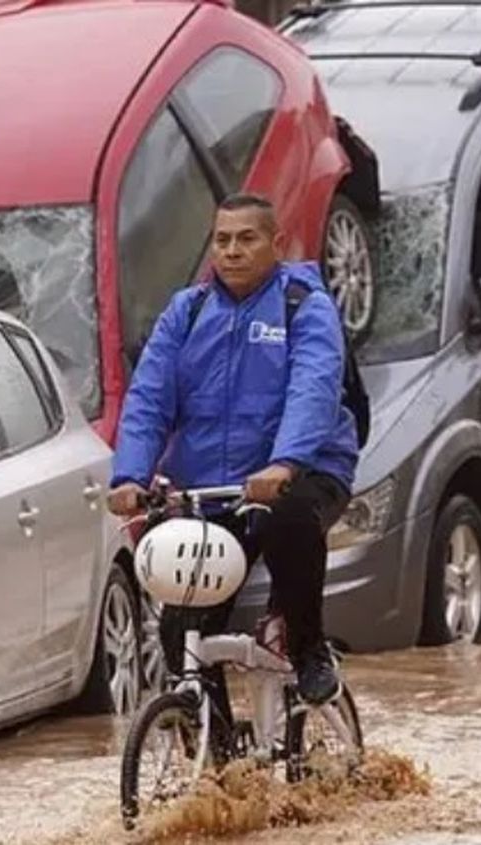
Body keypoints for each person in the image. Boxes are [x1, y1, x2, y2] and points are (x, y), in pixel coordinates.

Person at [107, 192, 359, 713]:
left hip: (304, 472)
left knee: (289, 519)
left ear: (276, 242)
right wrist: (128, 476)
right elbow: (150, 397)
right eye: (222, 240)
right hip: (212, 490)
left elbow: (312, 387)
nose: (232, 251)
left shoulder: (304, 306)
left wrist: (284, 463)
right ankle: (216, 754)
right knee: (184, 630)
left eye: (247, 238)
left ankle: (311, 652)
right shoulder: (187, 311)